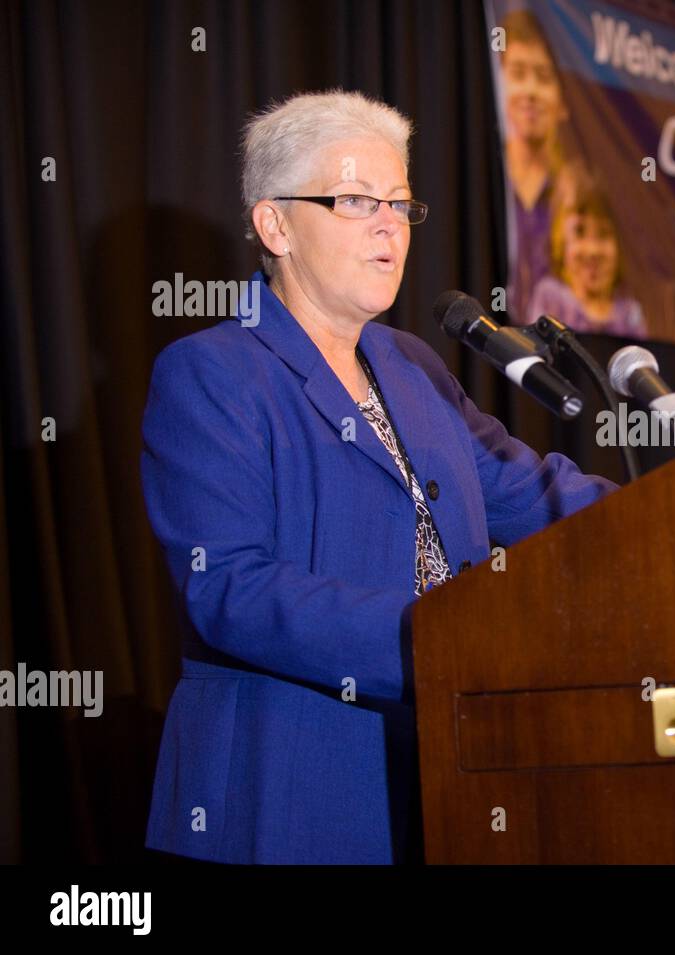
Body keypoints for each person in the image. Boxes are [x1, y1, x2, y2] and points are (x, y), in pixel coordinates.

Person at [140, 89, 617, 864]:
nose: (391, 225)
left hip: (447, 785)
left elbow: (527, 492)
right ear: (275, 223)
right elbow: (229, 587)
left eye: (399, 202)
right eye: (357, 200)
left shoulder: (412, 365)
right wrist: (435, 640)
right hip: (288, 794)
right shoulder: (212, 372)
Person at [499, 8, 568, 322]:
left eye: (542, 77)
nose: (529, 91)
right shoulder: (484, 184)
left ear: (562, 99)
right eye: (518, 73)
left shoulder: (577, 194)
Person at [528, 166, 647, 338]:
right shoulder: (550, 298)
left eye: (604, 234)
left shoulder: (630, 314)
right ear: (560, 240)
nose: (592, 250)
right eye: (579, 232)